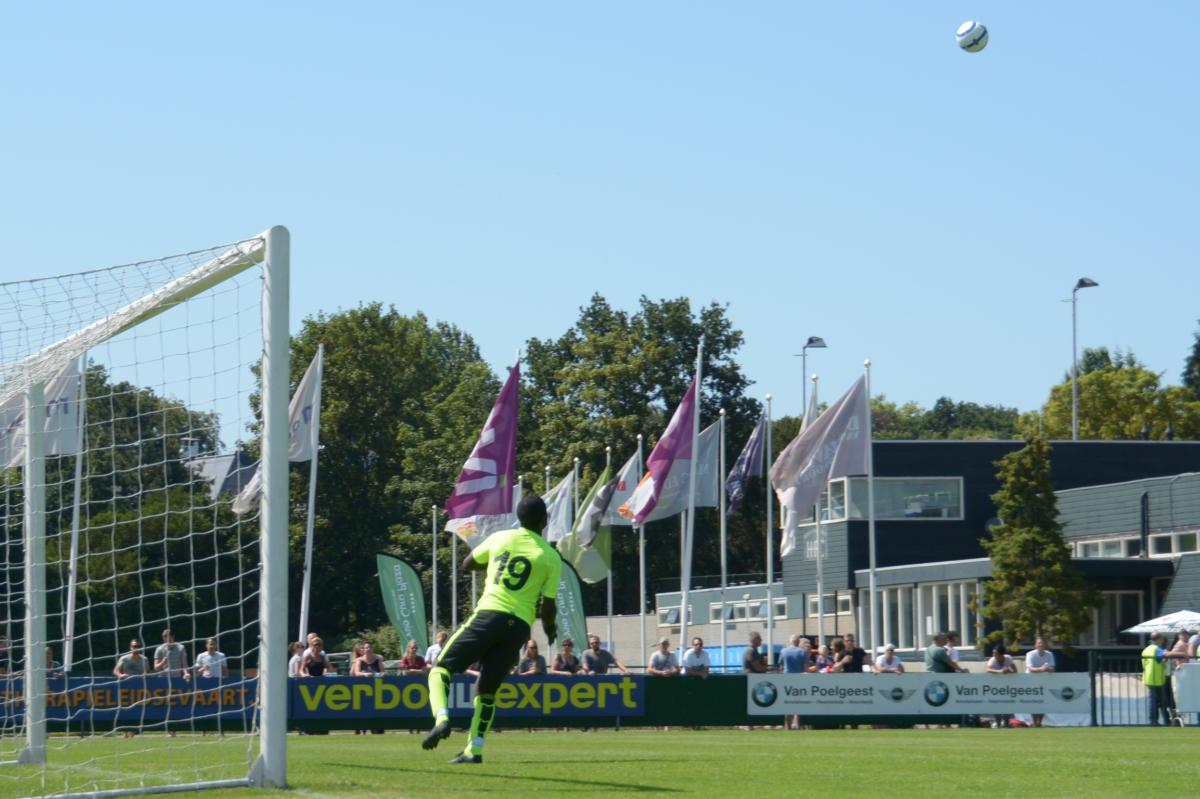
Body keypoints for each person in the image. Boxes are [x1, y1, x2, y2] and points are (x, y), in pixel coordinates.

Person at [422, 494, 563, 765]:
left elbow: (468, 564)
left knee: (441, 668)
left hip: (489, 615)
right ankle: (474, 749)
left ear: (519, 518)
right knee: (487, 691)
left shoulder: (501, 538)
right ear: (544, 521)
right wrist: (550, 629)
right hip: (518, 627)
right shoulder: (550, 556)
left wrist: (495, 563)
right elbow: (548, 606)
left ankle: (442, 719)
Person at [1142, 632, 1188, 725]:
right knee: (1161, 701)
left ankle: (1155, 721)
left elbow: (1158, 660)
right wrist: (1182, 654)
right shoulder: (1156, 649)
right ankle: (1162, 721)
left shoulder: (1146, 649)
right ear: (1159, 639)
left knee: (1154, 701)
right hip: (1156, 679)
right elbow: (1167, 654)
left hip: (1148, 677)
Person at [1024, 637, 1055, 727]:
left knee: (1043, 702)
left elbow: (1052, 669)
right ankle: (1034, 722)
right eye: (1039, 643)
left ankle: (1039, 722)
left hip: (1044, 682)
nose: (1041, 645)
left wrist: (1046, 669)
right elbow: (1030, 668)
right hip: (1031, 682)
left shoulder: (1049, 654)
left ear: (1045, 645)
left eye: (1042, 643)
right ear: (1035, 645)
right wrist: (1042, 669)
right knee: (1033, 702)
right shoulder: (1030, 654)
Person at [985, 643, 1018, 727]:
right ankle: (998, 723)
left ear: (1001, 654)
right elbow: (988, 669)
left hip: (1006, 686)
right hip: (995, 687)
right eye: (993, 653)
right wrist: (1000, 671)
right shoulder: (992, 660)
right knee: (996, 704)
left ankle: (1006, 723)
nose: (993, 655)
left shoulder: (1008, 658)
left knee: (1007, 705)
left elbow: (1015, 670)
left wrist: (1008, 671)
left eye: (995, 653)